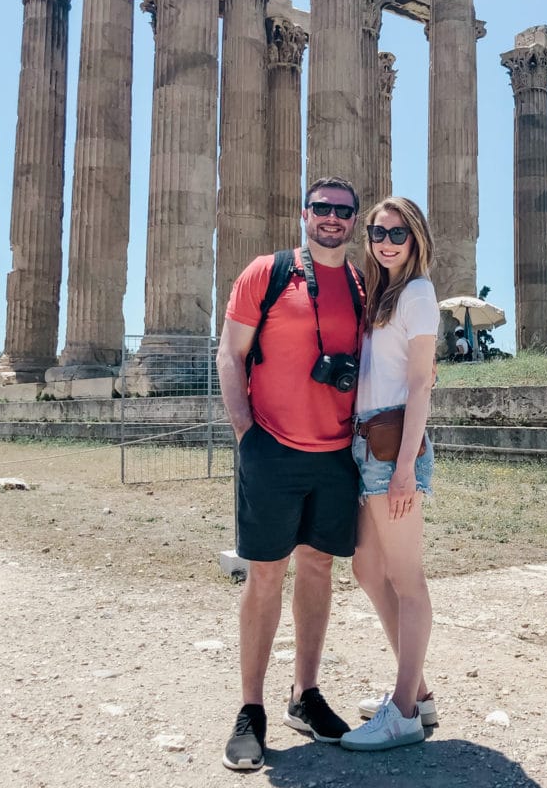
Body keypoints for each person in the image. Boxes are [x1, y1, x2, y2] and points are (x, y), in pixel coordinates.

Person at [217, 177, 363, 770]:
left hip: (335, 452)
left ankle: (305, 694)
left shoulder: (361, 283)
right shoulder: (267, 272)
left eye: (343, 211)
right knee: (265, 575)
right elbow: (230, 353)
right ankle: (251, 708)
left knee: (320, 567)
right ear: (305, 214)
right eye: (322, 208)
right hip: (271, 447)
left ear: (354, 221)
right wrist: (245, 433)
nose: (332, 218)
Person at [339, 197, 439, 753]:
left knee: (406, 577)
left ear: (415, 237)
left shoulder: (419, 293)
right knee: (367, 568)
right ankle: (417, 690)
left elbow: (421, 382)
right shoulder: (383, 296)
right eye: (378, 232)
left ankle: (402, 713)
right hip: (367, 444)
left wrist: (404, 468)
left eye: (397, 233)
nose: (386, 241)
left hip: (392, 446)